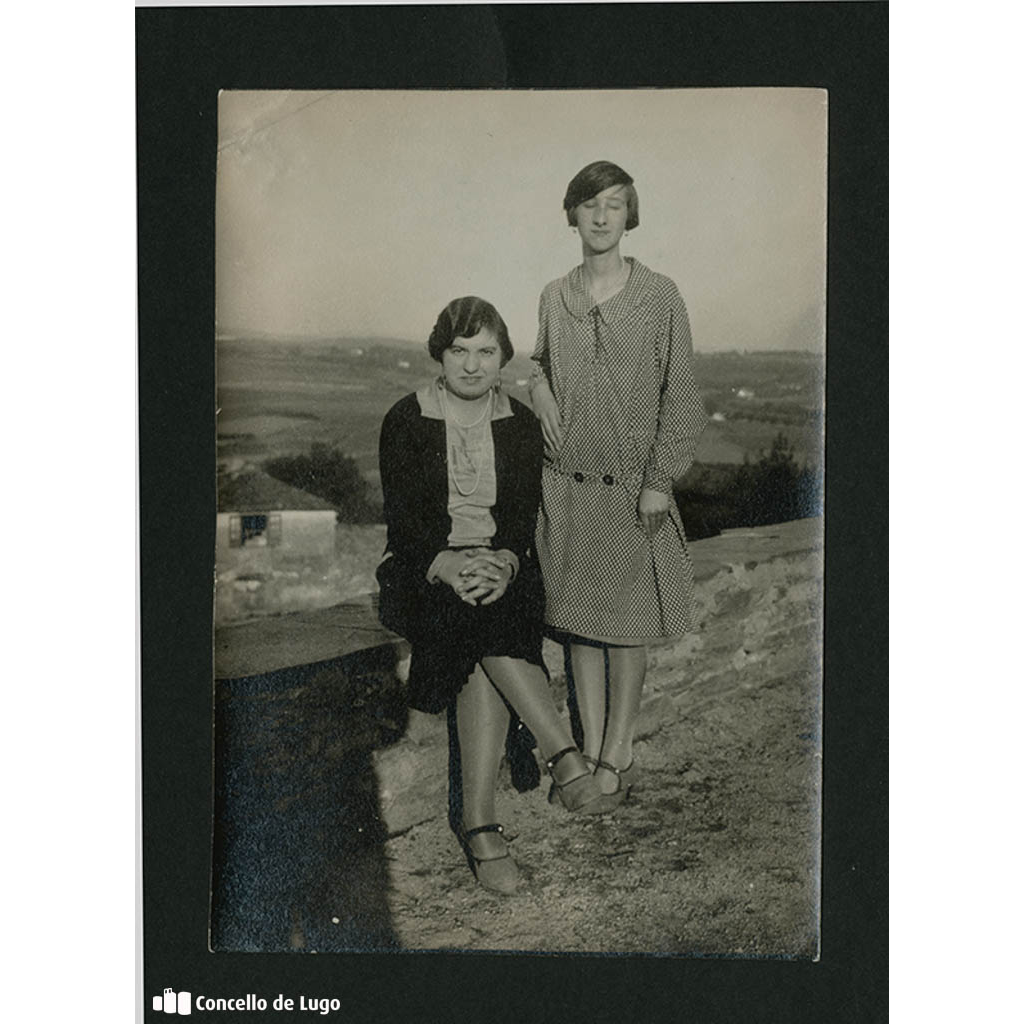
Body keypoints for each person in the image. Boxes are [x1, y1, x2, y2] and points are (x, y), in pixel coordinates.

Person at [376, 296, 606, 896]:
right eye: (459, 351)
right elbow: (403, 521)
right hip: (423, 569)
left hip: (502, 568)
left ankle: (479, 825)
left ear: (504, 358)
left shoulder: (521, 423)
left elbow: (520, 514)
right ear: (440, 353)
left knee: (489, 612)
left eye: (486, 352)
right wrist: (447, 563)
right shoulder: (406, 417)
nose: (472, 366)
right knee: (474, 611)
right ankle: (562, 756)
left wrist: (503, 560)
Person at [528, 161, 708, 810]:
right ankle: (588, 740)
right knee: (579, 626)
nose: (601, 217)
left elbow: (682, 398)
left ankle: (616, 748)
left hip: (633, 490)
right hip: (567, 489)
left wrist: (658, 481)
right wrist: (537, 388)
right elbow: (538, 364)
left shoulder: (659, 297)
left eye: (615, 204)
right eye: (589, 204)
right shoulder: (554, 296)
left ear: (630, 216)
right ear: (570, 214)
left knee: (627, 629)